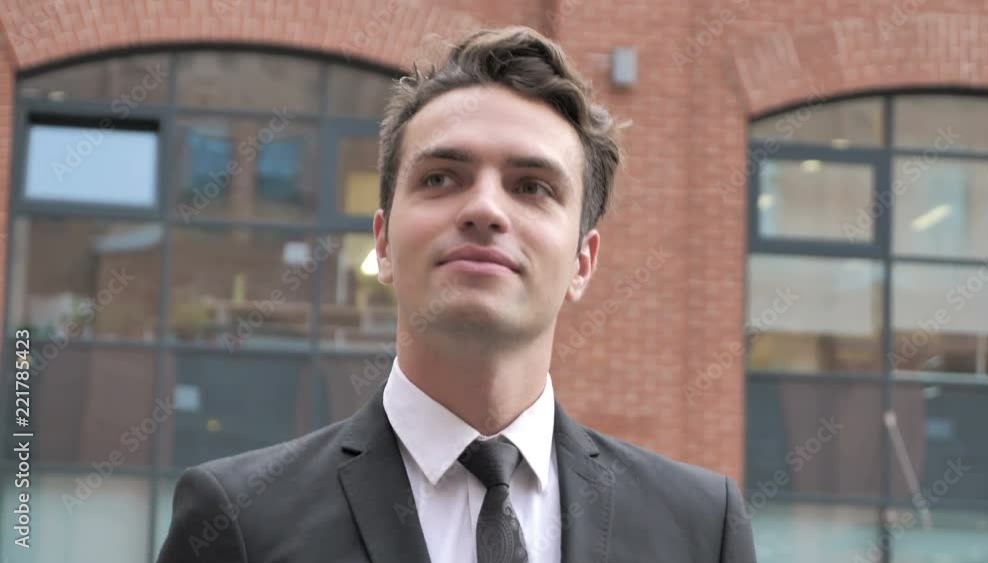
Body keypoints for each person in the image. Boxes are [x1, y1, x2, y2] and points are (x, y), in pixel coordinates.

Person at [157, 25, 757, 563]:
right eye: (441, 177)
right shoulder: (240, 523)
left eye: (532, 186)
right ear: (383, 242)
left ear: (583, 261)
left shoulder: (701, 530)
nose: (485, 208)